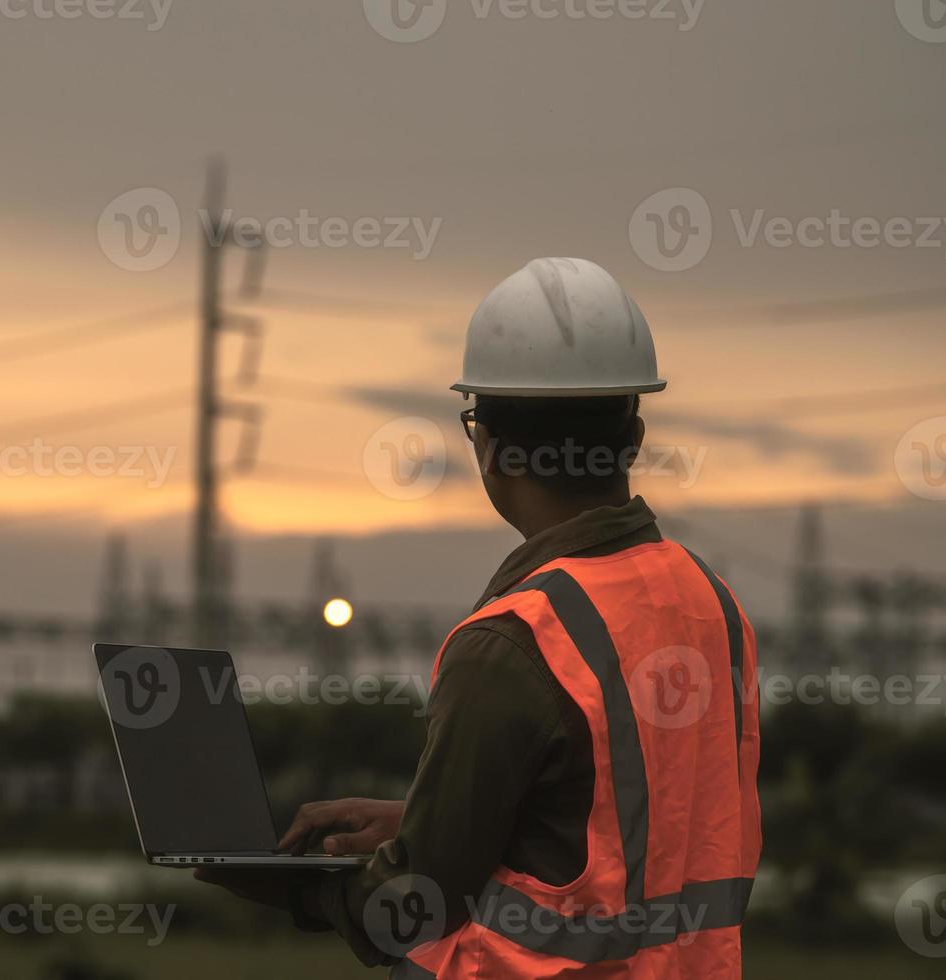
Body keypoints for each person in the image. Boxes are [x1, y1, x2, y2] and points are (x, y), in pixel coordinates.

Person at [197, 258, 761, 978]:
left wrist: (286, 888)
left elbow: (416, 905)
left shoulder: (512, 642)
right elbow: (645, 823)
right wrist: (425, 819)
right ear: (636, 434)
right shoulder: (711, 604)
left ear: (486, 446)